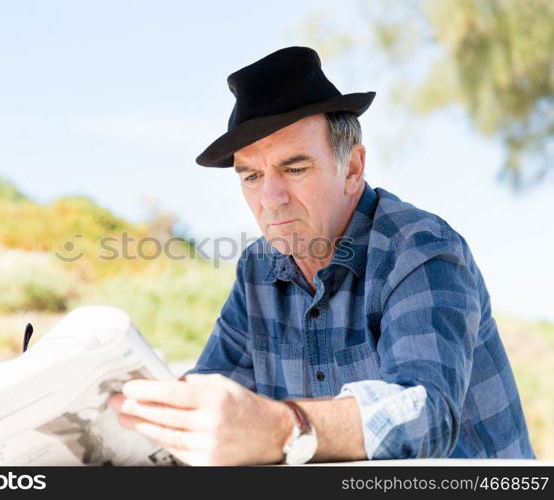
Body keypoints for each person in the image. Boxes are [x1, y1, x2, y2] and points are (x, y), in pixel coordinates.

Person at [109, 46, 535, 465]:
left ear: (351, 168)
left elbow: (426, 413)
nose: (270, 200)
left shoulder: (420, 248)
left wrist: (282, 428)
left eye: (294, 169)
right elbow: (212, 394)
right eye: (252, 176)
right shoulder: (257, 270)